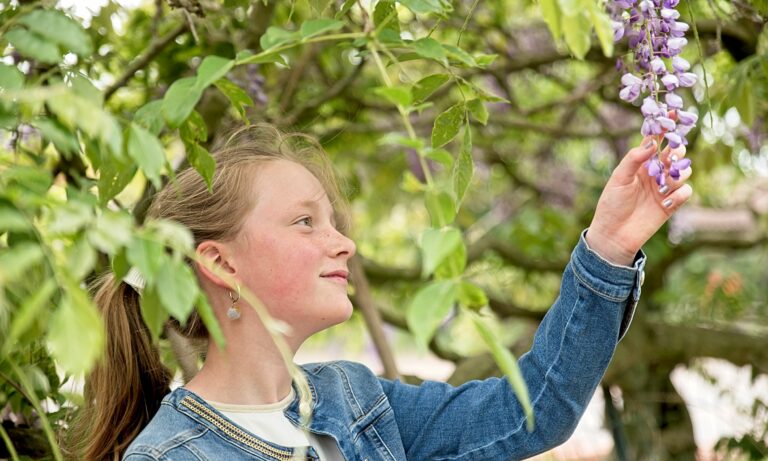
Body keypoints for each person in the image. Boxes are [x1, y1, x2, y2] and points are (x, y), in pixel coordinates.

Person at [71, 123, 692, 460]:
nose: (344, 245)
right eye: (305, 221)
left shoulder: (355, 399)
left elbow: (534, 414)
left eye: (334, 223)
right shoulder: (172, 457)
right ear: (220, 263)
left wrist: (608, 249)